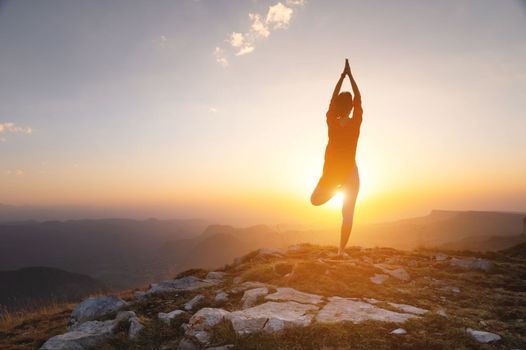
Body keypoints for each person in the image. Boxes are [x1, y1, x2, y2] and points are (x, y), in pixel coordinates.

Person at [311, 58, 363, 257]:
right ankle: (341, 251)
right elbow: (358, 98)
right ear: (350, 108)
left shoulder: (331, 122)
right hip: (350, 173)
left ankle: (341, 252)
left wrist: (342, 77)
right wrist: (351, 77)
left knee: (315, 201)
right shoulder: (355, 122)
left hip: (333, 175)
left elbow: (332, 99)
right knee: (347, 215)